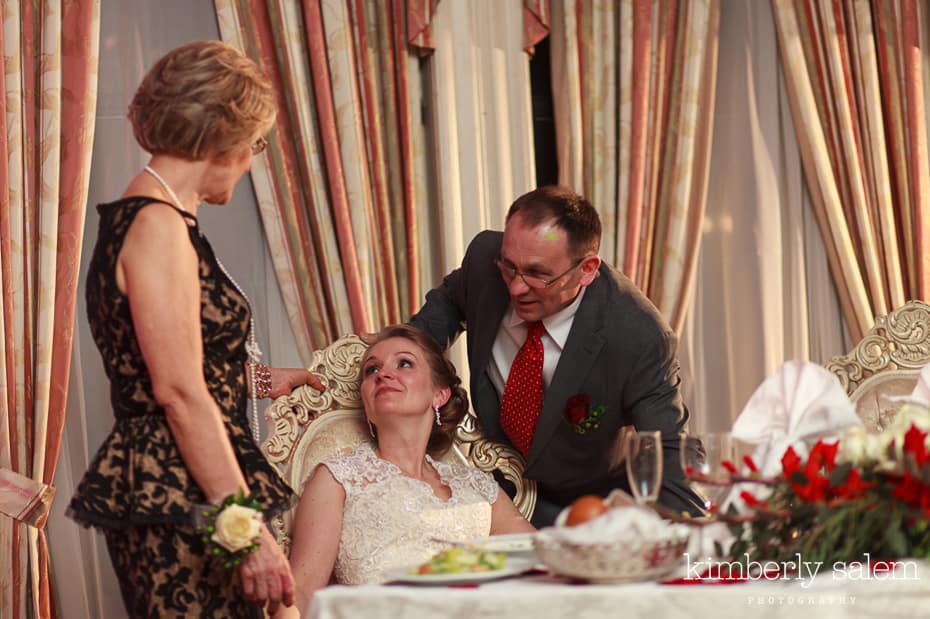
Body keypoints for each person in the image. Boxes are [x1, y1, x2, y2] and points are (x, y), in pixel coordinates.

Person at [67, 41, 323, 617]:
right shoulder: (157, 225)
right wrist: (247, 532)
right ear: (222, 137)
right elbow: (178, 392)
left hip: (186, 480)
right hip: (185, 488)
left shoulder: (158, 218)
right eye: (256, 143)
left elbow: (171, 362)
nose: (253, 158)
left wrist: (256, 381)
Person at [409, 185, 703, 527]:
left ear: (587, 269)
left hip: (590, 512)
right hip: (494, 491)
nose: (516, 287)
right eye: (510, 267)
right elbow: (448, 304)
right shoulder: (484, 262)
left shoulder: (639, 337)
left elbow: (667, 449)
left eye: (537, 274)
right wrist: (400, 350)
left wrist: (692, 542)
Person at [279, 325, 534, 616]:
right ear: (366, 402)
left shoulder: (476, 484)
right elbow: (300, 593)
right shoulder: (338, 478)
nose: (383, 374)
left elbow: (540, 557)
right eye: (371, 370)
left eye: (404, 363)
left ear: (439, 394)